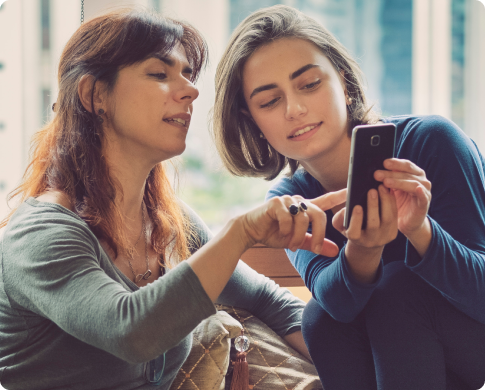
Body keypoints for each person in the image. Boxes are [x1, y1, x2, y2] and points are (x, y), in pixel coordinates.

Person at [0, 9, 346, 390]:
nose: (191, 90)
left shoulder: (170, 224)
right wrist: (241, 233)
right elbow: (131, 333)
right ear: (95, 95)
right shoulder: (40, 236)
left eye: (187, 74)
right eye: (159, 74)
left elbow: (270, 303)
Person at [212, 5, 485, 390]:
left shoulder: (431, 142)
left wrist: (420, 231)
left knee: (397, 288)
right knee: (320, 320)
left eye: (309, 84)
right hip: (415, 365)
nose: (296, 109)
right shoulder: (292, 198)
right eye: (269, 101)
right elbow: (336, 308)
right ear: (252, 120)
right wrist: (363, 251)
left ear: (343, 82)